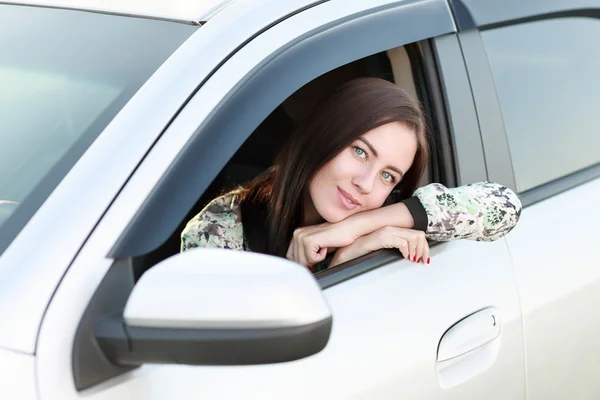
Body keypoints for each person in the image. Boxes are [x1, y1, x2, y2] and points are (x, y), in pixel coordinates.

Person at [181, 77, 521, 272]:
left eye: (389, 176)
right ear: (323, 136)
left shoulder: (387, 219)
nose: (366, 184)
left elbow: (505, 206)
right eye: (360, 152)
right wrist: (312, 272)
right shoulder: (223, 226)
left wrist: (355, 230)